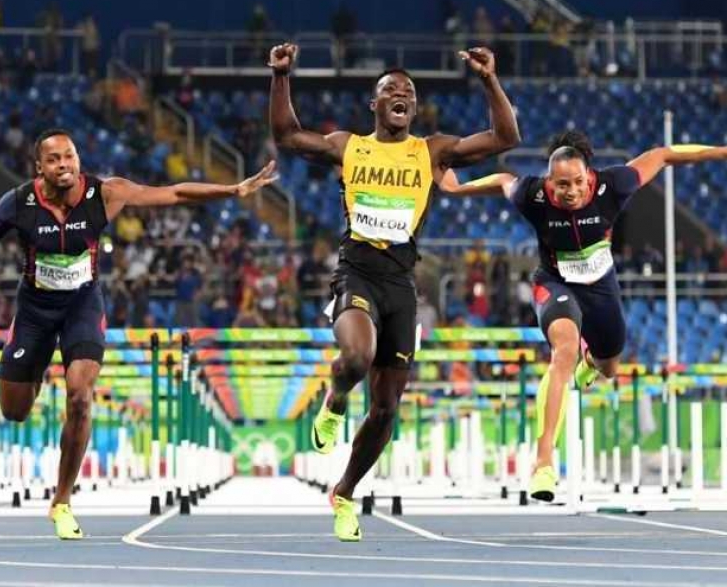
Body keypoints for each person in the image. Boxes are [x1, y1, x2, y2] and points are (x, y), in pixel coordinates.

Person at [0, 129, 277, 539]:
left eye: (69, 156)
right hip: (35, 312)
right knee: (15, 410)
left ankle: (62, 500)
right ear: (40, 167)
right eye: (54, 159)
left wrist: (233, 190)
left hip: (82, 306)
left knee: (79, 394)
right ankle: (33, 368)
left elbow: (174, 194)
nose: (64, 165)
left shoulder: (106, 193)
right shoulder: (18, 203)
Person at [269, 42, 519, 541]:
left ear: (414, 107)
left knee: (386, 407)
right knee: (357, 358)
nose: (400, 94)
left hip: (401, 283)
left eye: (407, 91)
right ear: (375, 105)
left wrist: (490, 79)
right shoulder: (349, 146)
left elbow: (505, 137)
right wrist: (281, 77)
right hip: (355, 272)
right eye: (390, 90)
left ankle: (343, 493)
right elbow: (286, 134)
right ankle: (336, 398)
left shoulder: (432, 151)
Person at [445, 130, 727, 501]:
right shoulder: (532, 195)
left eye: (578, 182)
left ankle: (592, 361)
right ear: (549, 182)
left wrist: (719, 152)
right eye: (562, 185)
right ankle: (543, 462)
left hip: (601, 287)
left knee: (611, 367)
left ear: (589, 176)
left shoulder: (614, 185)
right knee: (563, 351)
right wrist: (455, 189)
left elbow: (663, 154)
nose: (572, 191)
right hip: (554, 283)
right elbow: (501, 180)